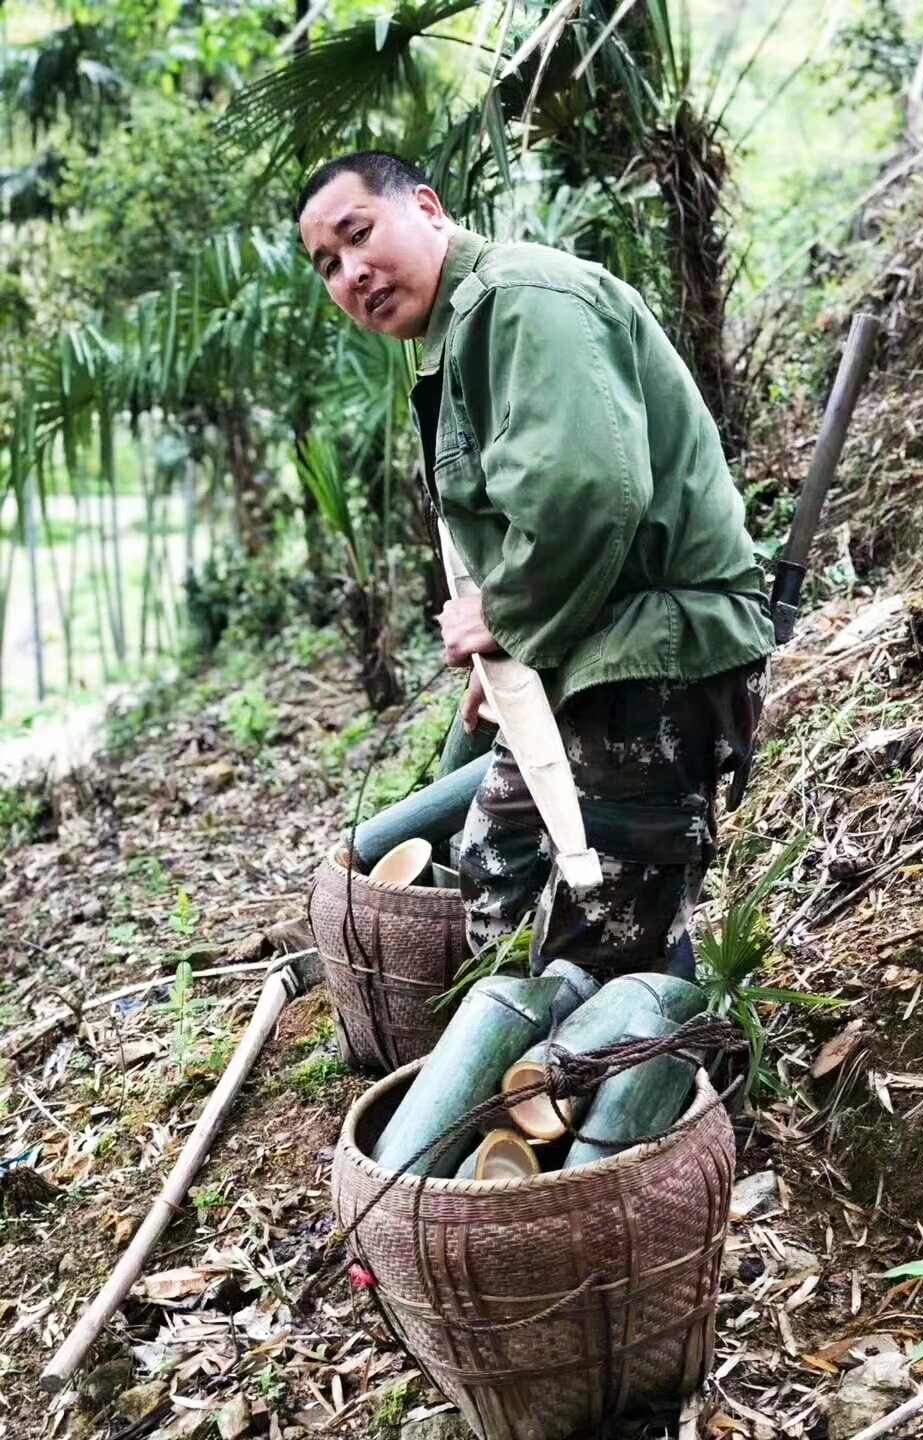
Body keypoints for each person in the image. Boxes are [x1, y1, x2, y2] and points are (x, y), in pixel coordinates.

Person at [298, 151, 774, 981]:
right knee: (496, 876)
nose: (352, 273)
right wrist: (514, 655)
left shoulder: (523, 300)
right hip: (584, 656)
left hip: (652, 656)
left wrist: (504, 615)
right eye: (329, 266)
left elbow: (588, 494)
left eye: (358, 234)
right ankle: (595, 1024)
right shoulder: (458, 333)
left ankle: (650, 1042)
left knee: (595, 956)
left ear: (428, 207)